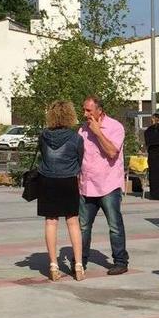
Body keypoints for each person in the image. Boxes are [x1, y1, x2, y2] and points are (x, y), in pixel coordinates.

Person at [78, 95, 129, 275]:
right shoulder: (82, 130)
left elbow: (112, 152)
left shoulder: (115, 127)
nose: (85, 114)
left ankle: (120, 261)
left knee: (114, 225)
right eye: (84, 109)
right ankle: (80, 261)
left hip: (109, 185)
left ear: (99, 110)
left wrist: (98, 132)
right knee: (83, 226)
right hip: (87, 185)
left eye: (89, 110)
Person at [37, 100, 85, 282]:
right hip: (69, 181)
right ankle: (79, 266)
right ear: (70, 115)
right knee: (73, 222)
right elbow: (81, 160)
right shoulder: (76, 138)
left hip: (47, 181)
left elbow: (43, 155)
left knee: (51, 222)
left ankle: (53, 265)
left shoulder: (43, 136)